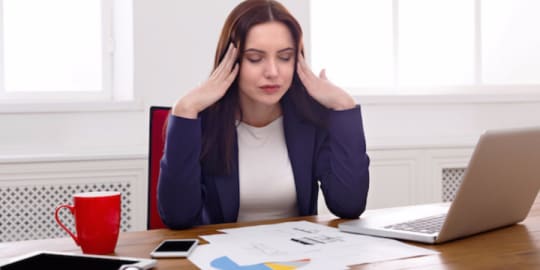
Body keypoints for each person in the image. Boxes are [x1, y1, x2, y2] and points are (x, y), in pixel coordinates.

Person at [158, 0, 370, 229]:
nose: (272, 72)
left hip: (298, 258)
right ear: (231, 61)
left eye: (285, 57)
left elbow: (349, 205)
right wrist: (185, 109)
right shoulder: (204, 122)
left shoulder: (310, 120)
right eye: (255, 58)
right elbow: (178, 217)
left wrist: (344, 105)